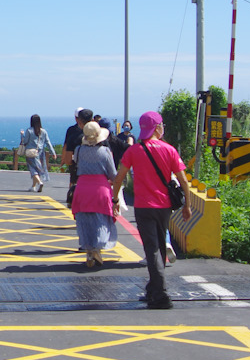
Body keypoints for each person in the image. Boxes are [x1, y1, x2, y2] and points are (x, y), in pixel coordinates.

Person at [112, 111, 192, 309]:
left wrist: (114, 199)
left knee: (152, 248)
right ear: (157, 127)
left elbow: (119, 176)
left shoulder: (134, 150)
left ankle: (160, 293)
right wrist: (188, 205)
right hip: (164, 207)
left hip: (143, 206)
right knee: (157, 247)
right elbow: (183, 181)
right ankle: (153, 289)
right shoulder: (170, 150)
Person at [71, 121, 118, 268]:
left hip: (82, 187)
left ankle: (89, 251)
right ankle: (97, 248)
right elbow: (113, 174)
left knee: (84, 220)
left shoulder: (78, 150)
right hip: (100, 188)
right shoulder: (104, 152)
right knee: (101, 220)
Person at [62, 108, 94, 205]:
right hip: (95, 169)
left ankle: (72, 200)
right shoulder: (99, 135)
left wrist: (64, 160)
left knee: (73, 181)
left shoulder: (72, 133)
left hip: (77, 165)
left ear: (78, 120)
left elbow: (66, 147)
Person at [19, 114, 56, 192]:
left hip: (30, 153)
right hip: (40, 153)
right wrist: (53, 152)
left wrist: (22, 135)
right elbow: (48, 142)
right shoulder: (43, 131)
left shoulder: (29, 130)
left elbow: (25, 142)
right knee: (38, 168)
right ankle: (33, 186)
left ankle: (39, 182)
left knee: (33, 170)